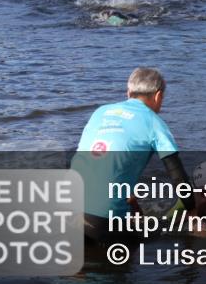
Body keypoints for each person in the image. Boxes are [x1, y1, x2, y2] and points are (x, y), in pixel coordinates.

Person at [71, 67, 198, 244]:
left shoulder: (100, 112)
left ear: (129, 92)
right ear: (158, 96)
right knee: (157, 239)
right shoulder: (155, 123)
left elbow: (94, 162)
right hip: (104, 220)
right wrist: (193, 211)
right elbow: (177, 175)